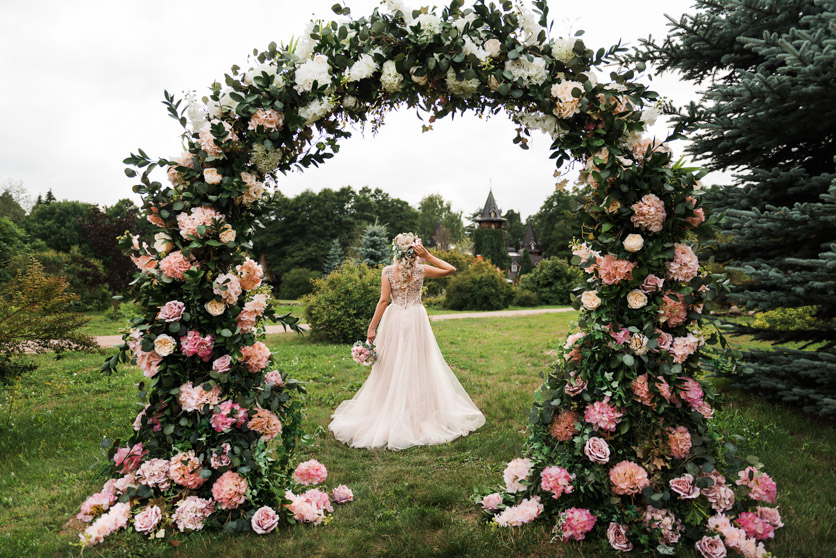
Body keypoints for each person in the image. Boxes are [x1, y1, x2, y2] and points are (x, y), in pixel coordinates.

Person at [329, 233, 486, 450]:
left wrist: (372, 327)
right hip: (415, 318)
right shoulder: (421, 270)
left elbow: (384, 300)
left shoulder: (387, 272)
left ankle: (392, 408)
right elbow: (451, 269)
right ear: (414, 250)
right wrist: (429, 256)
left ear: (395, 250)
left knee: (391, 364)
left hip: (394, 319)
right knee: (418, 364)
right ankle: (416, 412)